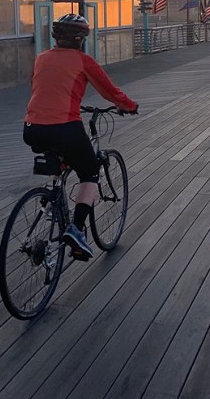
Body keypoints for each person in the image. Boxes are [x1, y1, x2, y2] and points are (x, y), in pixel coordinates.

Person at [23, 13, 138, 261]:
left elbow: (40, 88)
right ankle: (75, 229)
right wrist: (129, 106)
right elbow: (109, 91)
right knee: (90, 172)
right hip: (65, 127)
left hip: (32, 128)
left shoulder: (41, 58)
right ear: (81, 39)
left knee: (64, 157)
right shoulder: (83, 61)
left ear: (56, 37)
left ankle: (51, 202)